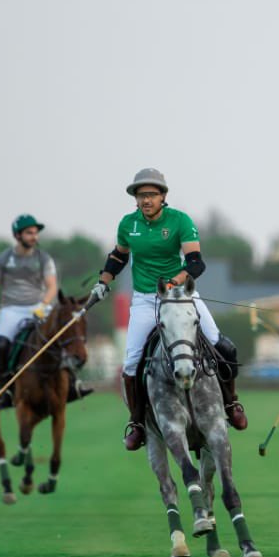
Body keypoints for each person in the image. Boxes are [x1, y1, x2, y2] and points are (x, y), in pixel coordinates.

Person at [89, 167, 248, 451]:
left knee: (223, 346)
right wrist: (103, 281)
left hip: (181, 296)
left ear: (163, 196)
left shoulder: (180, 221)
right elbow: (118, 257)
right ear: (135, 199)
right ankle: (137, 422)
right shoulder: (128, 224)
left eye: (151, 194)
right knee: (131, 363)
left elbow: (196, 263)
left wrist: (174, 282)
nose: (146, 200)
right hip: (145, 301)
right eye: (141, 195)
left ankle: (231, 402)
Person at [0, 214, 92, 408]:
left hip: (40, 306)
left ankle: (73, 384)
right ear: (18, 235)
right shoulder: (3, 259)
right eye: (29, 233)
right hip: (11, 310)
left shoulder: (44, 258)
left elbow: (52, 286)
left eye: (35, 233)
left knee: (61, 334)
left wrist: (43, 306)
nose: (34, 236)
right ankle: (4, 392)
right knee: (0, 345)